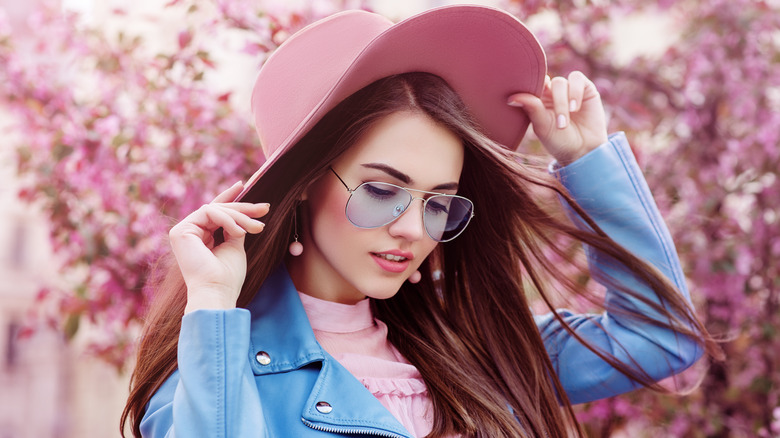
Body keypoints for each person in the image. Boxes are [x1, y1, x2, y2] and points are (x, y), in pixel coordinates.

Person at [121, 5, 719, 438]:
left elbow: (658, 339)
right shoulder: (218, 372)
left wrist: (585, 161)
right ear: (303, 187)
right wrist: (213, 306)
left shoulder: (472, 347)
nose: (413, 228)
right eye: (382, 191)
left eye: (440, 202)